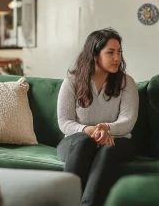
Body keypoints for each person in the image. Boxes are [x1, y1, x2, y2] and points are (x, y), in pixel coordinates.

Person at [56, 28, 139, 206]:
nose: (117, 58)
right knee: (85, 142)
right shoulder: (72, 82)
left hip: (116, 141)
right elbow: (64, 122)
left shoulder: (126, 83)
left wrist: (106, 129)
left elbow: (128, 121)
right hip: (77, 143)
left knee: (107, 150)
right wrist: (88, 130)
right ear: (94, 55)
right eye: (110, 52)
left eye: (119, 52)